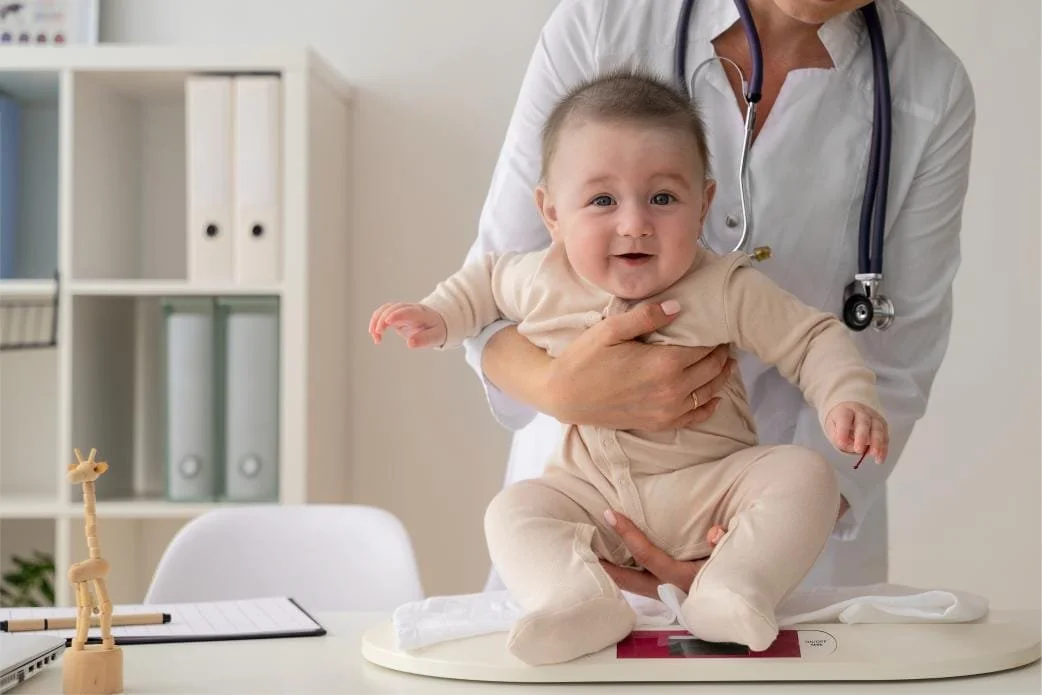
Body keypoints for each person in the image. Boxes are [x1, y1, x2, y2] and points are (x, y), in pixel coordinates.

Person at [371, 69, 889, 665]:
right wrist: (437, 316)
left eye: (663, 197)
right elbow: (482, 283)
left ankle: (733, 587)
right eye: (601, 200)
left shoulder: (725, 287)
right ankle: (579, 601)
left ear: (704, 205)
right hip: (594, 498)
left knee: (805, 475)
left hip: (711, 490)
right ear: (551, 214)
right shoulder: (540, 277)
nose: (635, 222)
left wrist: (845, 397)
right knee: (515, 510)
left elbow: (813, 337)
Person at [459, 0, 975, 594]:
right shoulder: (606, 20)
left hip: (775, 549)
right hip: (585, 516)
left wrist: (751, 555)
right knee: (570, 633)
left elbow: (891, 367)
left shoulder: (927, 87)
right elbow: (493, 291)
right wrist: (559, 389)